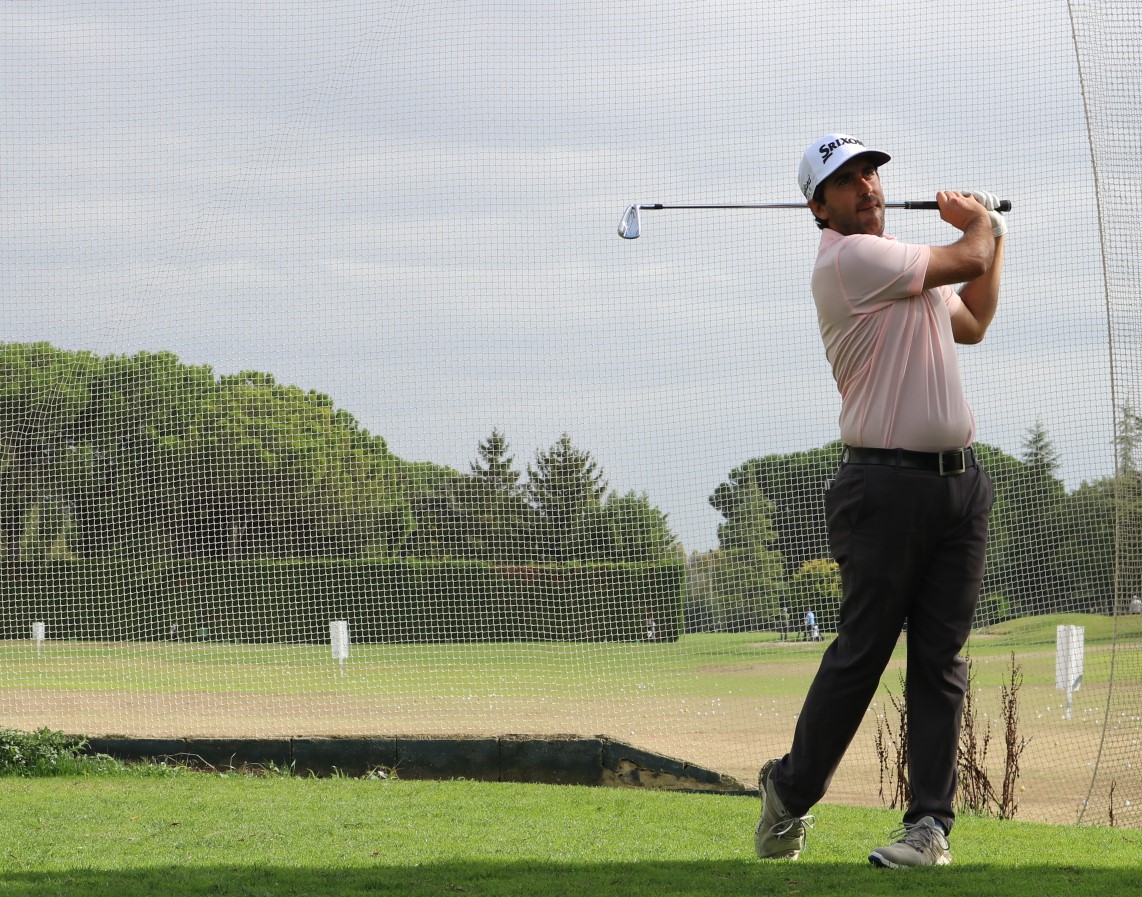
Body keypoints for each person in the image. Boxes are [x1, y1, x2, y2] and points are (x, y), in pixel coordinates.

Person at [754, 133, 1005, 868]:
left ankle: (928, 827)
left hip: (960, 486)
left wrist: (994, 236)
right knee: (863, 653)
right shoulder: (851, 261)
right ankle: (789, 794)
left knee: (940, 659)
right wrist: (979, 225)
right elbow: (967, 259)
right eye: (846, 179)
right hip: (883, 487)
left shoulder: (902, 269)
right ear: (819, 207)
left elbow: (974, 321)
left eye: (870, 173)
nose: (866, 186)